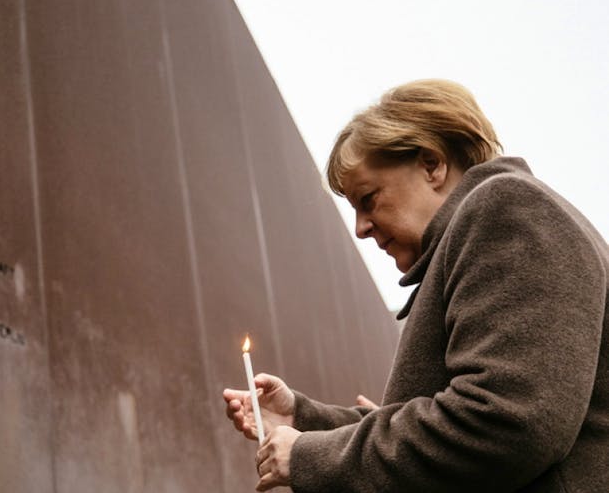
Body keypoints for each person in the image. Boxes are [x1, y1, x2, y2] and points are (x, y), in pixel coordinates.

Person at [223, 79, 609, 492]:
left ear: (431, 165)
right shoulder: (480, 235)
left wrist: (308, 455)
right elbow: (444, 416)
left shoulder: (506, 210)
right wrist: (302, 419)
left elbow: (503, 422)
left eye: (368, 198)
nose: (360, 229)